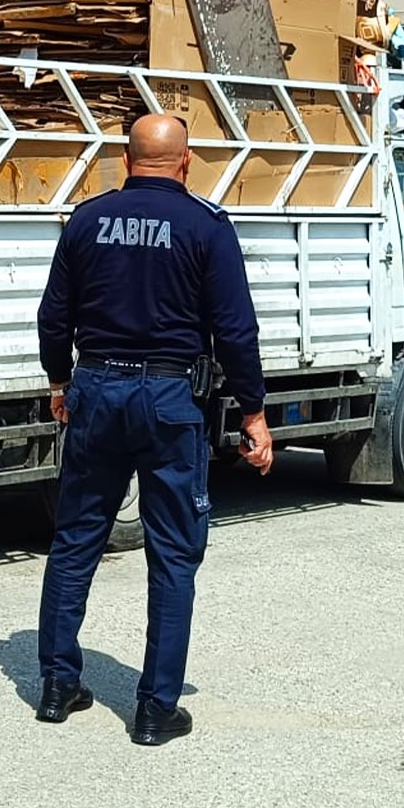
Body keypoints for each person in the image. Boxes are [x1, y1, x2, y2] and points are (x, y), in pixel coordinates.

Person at [35, 113, 272, 747]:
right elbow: (236, 329)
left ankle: (57, 686)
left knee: (77, 538)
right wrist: (253, 411)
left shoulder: (85, 221)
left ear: (125, 157)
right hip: (170, 398)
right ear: (186, 160)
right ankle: (155, 708)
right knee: (172, 553)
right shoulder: (206, 225)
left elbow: (53, 315)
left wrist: (61, 382)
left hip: (98, 389)